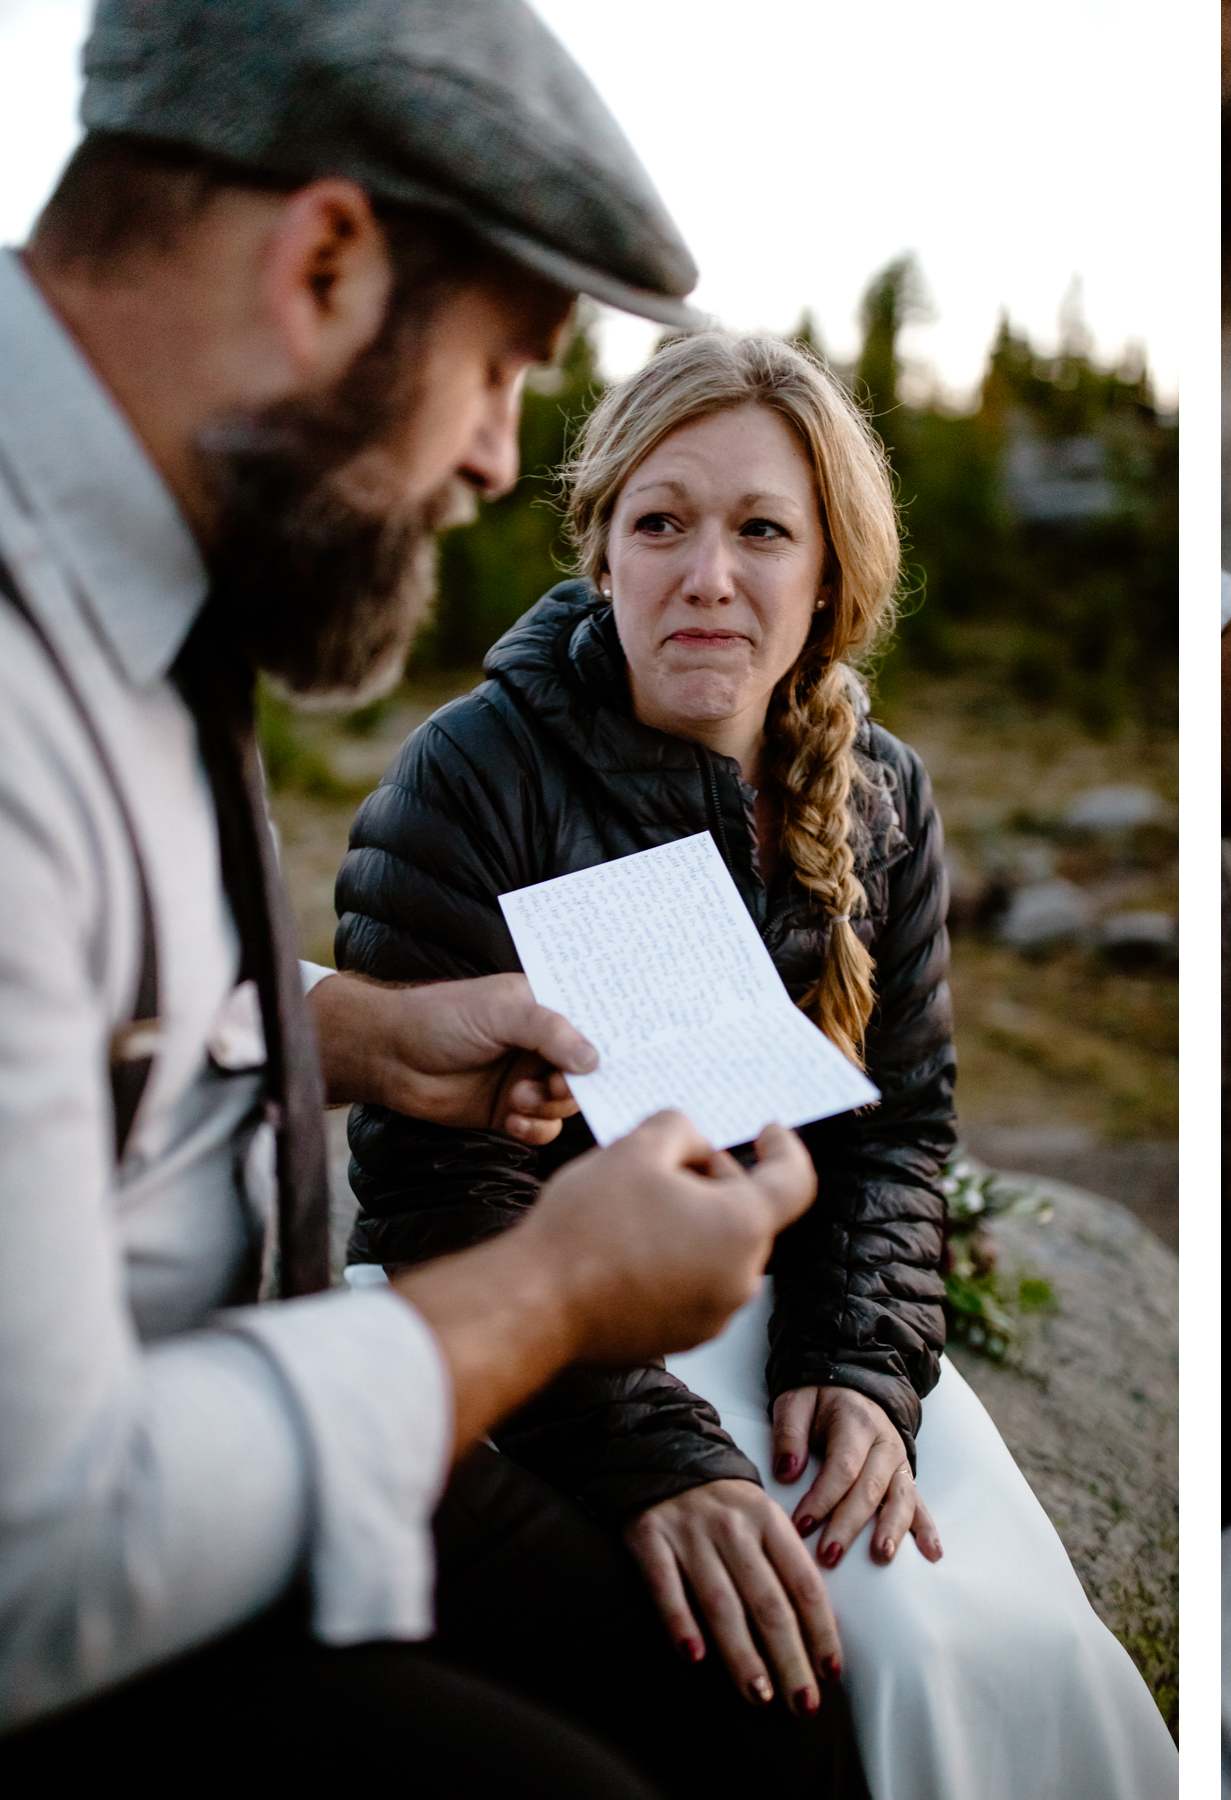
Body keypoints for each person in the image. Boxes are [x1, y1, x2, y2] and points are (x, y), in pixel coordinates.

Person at [0, 2, 851, 1790]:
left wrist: (357, 1035)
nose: (493, 460)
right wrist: (548, 1297)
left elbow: (80, 982)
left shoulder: (123, 545)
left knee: (778, 1718)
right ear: (324, 261)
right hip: (104, 1576)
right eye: (502, 367)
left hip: (271, 1388)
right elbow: (36, 1554)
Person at [334, 328, 1180, 1799]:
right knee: (858, 1662)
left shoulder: (883, 793)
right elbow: (431, 1193)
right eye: (660, 523)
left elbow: (900, 1128)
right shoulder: (471, 778)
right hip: (550, 1309)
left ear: (830, 578)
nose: (706, 576)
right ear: (601, 555)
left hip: (795, 1302)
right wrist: (658, 1454)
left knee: (1004, 1645)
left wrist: (858, 1363)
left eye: (761, 530)